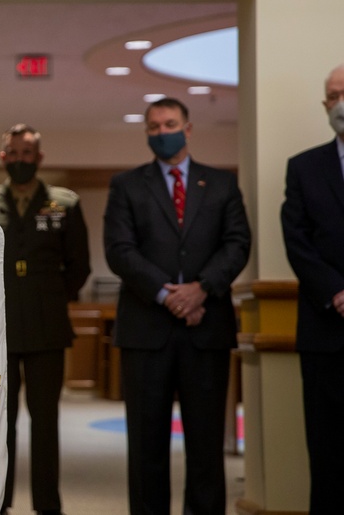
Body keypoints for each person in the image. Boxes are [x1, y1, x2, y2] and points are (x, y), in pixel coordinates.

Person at [103, 97, 250, 515]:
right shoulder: (126, 185)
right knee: (147, 448)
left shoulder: (221, 185)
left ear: (187, 128)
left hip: (207, 332)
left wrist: (201, 289)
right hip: (146, 333)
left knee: (206, 447)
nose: (161, 133)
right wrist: (170, 295)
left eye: (169, 124)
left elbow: (237, 243)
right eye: (153, 127)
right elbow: (119, 250)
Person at [0, 124, 91, 515]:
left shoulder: (64, 204)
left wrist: (48, 296)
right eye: (13, 153)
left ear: (40, 158)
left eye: (27, 153)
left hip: (46, 328)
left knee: (45, 423)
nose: (20, 160)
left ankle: (47, 505)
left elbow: (79, 266)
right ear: (3, 157)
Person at [280, 64, 344, 515]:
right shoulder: (304, 167)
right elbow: (297, 240)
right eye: (333, 95)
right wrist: (338, 292)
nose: (340, 102)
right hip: (326, 332)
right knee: (328, 453)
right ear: (325, 105)